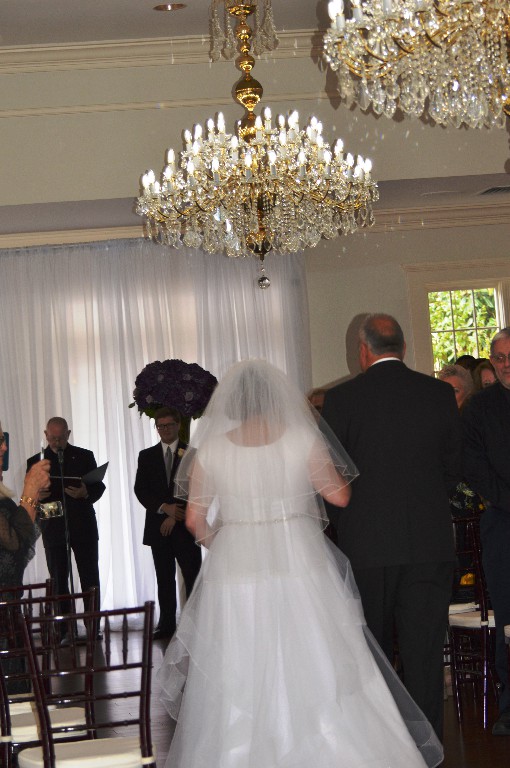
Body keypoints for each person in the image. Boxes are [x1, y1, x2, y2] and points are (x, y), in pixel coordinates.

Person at [158, 359, 443, 768]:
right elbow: (339, 496)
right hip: (298, 553)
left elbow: (193, 521)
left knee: (241, 656)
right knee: (316, 650)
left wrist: (227, 544)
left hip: (238, 561)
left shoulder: (212, 451)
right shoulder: (301, 439)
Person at [321, 314, 461, 741]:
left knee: (374, 656)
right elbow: (453, 466)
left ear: (363, 351)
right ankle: (429, 748)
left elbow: (334, 478)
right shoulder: (439, 393)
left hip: (367, 546)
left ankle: (384, 746)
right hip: (429, 543)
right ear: (403, 347)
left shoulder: (341, 399)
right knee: (425, 656)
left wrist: (350, 526)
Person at [462, 327, 510, 736]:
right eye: (499, 358)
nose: (506, 364)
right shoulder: (479, 408)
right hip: (503, 520)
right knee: (508, 615)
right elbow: (472, 464)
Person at [134, 407, 202, 641]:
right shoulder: (146, 456)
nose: (165, 429)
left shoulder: (192, 453)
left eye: (169, 425)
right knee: (164, 577)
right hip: (158, 527)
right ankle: (166, 624)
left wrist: (175, 514)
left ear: (178, 425)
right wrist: (164, 508)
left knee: (192, 575)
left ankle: (195, 624)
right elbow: (141, 490)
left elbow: (196, 489)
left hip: (185, 527)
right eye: (160, 426)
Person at [26, 417, 105, 611]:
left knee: (90, 578)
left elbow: (98, 486)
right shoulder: (36, 462)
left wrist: (85, 492)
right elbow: (27, 497)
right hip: (53, 527)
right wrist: (37, 495)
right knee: (59, 579)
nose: (56, 442)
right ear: (46, 435)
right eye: (53, 438)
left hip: (82, 525)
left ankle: (92, 623)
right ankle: (63, 625)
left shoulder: (84, 456)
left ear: (68, 434)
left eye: (61, 438)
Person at [0, 423, 50, 587]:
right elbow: (12, 545)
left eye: (4, 440)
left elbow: (22, 546)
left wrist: (35, 498)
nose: (5, 447)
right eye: (0, 441)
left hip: (11, 597)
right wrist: (30, 490)